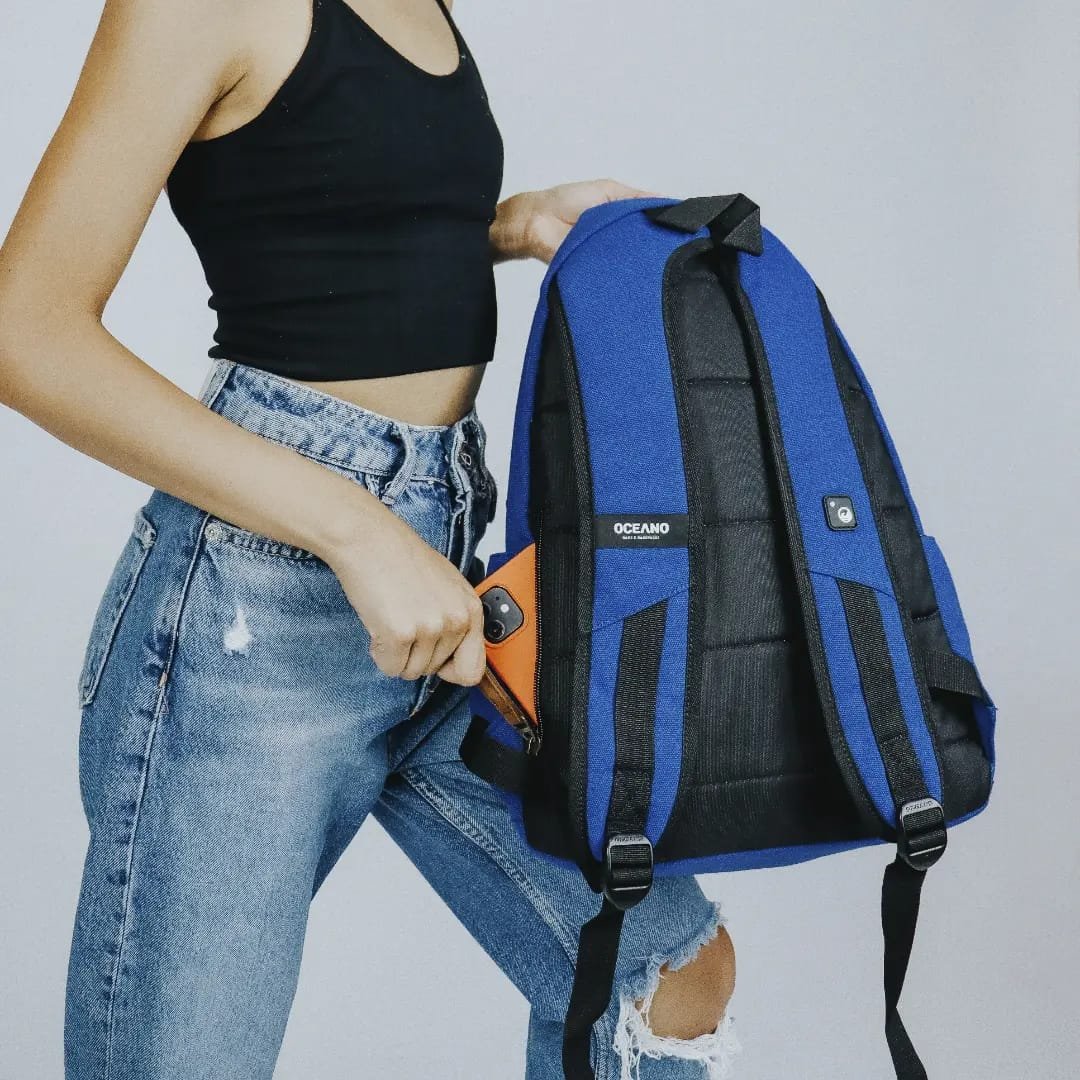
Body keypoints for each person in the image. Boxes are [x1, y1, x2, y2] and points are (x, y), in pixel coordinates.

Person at [0, 0, 738, 1076]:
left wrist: (517, 223)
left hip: (444, 580)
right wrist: (358, 532)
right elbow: (25, 331)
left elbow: (326, 218)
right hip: (256, 616)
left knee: (665, 972)